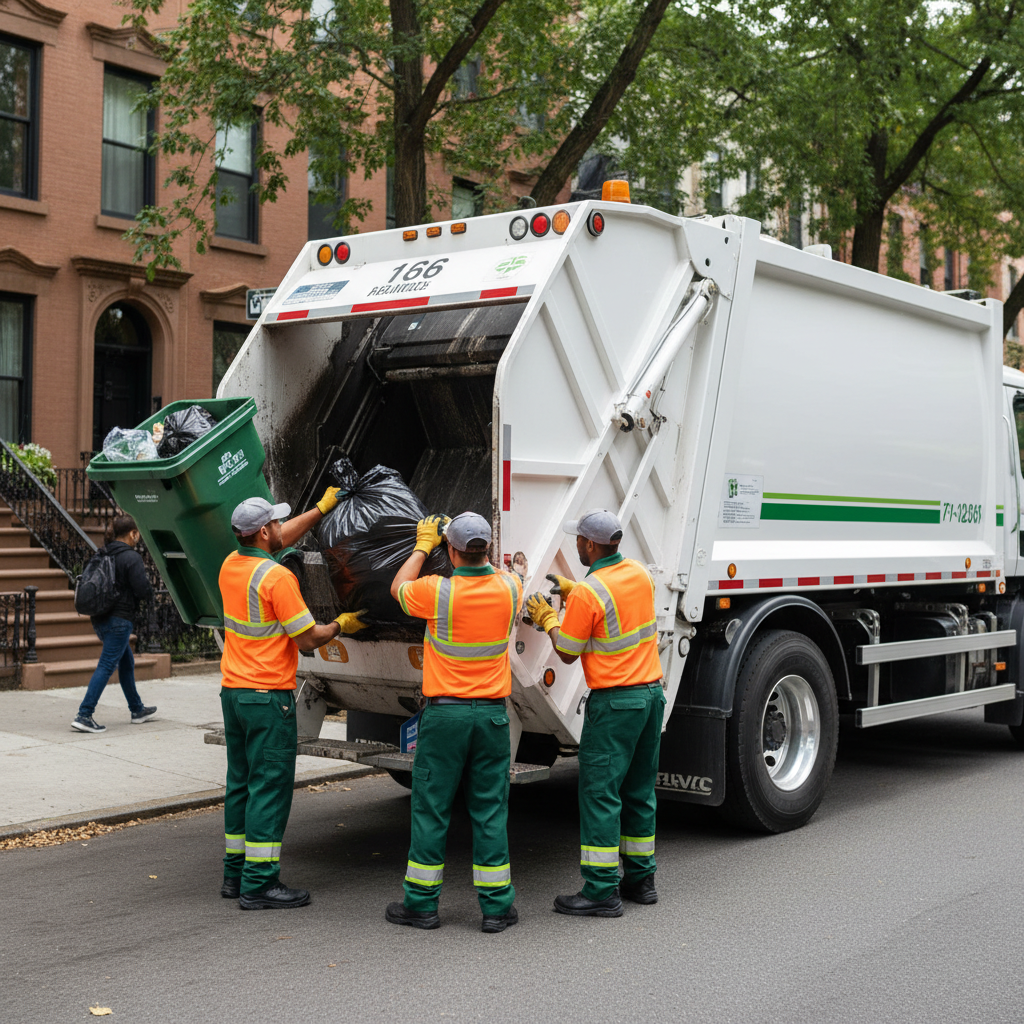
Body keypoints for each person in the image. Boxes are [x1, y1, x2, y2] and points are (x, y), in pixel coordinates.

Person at [219, 490, 368, 910]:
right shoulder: (278, 579)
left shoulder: (231, 565)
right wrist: (341, 623)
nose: (282, 528)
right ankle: (260, 883)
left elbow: (282, 539)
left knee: (242, 784)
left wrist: (321, 509)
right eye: (276, 524)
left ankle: (235, 874)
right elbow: (307, 640)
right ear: (264, 530)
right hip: (267, 697)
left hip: (234, 693)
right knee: (270, 787)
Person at [385, 511, 523, 933]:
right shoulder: (510, 588)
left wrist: (422, 545)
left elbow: (397, 588)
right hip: (493, 718)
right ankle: (497, 908)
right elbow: (510, 570)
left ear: (452, 551)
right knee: (489, 810)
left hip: (446, 716)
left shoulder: (436, 592)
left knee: (431, 808)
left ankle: (421, 906)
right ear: (487, 550)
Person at [526, 508, 665, 918]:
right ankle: (642, 879)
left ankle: (601, 890)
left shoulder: (591, 591)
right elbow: (616, 610)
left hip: (616, 703)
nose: (576, 546)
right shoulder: (639, 573)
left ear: (589, 544)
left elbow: (568, 651)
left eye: (578, 541)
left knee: (601, 794)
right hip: (650, 696)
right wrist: (575, 591)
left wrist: (550, 618)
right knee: (639, 790)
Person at [72, 515, 156, 734]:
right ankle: (84, 714)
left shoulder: (102, 553)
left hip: (99, 618)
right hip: (120, 620)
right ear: (132, 534)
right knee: (107, 665)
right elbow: (141, 588)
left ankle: (137, 709)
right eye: (137, 533)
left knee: (126, 662)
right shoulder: (130, 557)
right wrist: (149, 593)